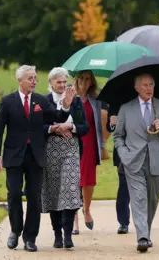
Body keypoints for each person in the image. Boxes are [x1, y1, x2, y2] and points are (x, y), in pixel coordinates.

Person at [0, 65, 76, 252]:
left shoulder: (40, 101)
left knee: (34, 197)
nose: (34, 81)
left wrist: (66, 105)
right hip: (14, 156)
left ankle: (30, 237)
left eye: (35, 78)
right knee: (13, 193)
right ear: (20, 81)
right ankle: (15, 230)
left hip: (36, 155)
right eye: (30, 78)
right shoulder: (7, 102)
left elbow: (57, 116)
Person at [113, 73, 159, 253]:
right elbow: (118, 136)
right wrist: (124, 154)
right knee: (138, 198)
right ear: (136, 88)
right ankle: (142, 237)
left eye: (151, 85)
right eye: (145, 85)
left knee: (152, 200)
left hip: (156, 160)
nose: (148, 88)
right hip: (133, 161)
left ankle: (145, 232)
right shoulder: (126, 108)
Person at [41, 67, 88, 249]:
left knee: (69, 191)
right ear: (51, 83)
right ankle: (57, 235)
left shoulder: (76, 101)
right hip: (50, 150)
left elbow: (85, 127)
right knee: (54, 193)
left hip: (71, 151)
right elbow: (40, 126)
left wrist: (70, 127)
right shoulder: (43, 101)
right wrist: (54, 128)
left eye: (64, 82)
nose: (61, 85)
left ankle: (68, 234)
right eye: (58, 82)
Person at [72, 70, 103, 234]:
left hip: (90, 143)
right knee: (74, 180)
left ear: (91, 82)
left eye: (88, 79)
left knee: (88, 181)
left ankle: (87, 209)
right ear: (76, 80)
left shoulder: (96, 100)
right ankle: (74, 219)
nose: (84, 82)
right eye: (81, 79)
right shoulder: (70, 97)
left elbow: (102, 123)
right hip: (73, 143)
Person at [107, 110, 130, 235]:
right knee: (124, 186)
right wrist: (111, 124)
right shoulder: (116, 105)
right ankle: (123, 222)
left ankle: (144, 221)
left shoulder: (146, 103)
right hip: (122, 151)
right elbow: (108, 127)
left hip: (142, 149)